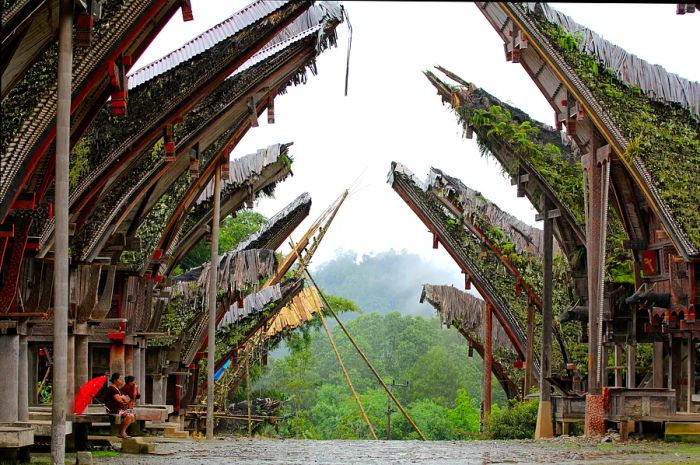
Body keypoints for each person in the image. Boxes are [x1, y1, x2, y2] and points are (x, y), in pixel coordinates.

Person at [104, 372, 135, 439]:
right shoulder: (112, 389)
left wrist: (124, 399)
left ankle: (122, 431)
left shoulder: (118, 389)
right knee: (129, 416)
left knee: (132, 416)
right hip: (113, 410)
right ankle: (122, 432)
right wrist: (123, 398)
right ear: (115, 380)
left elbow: (127, 398)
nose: (121, 381)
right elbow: (119, 400)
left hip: (120, 409)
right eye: (120, 379)